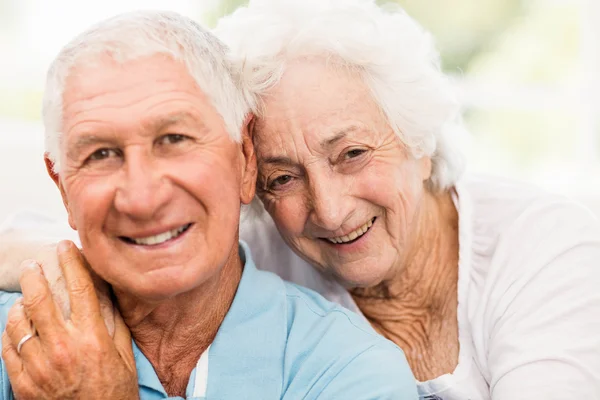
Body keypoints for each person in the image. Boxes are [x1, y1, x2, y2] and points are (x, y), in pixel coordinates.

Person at [2, 0, 600, 399]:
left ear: (420, 140)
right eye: (282, 177)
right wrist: (61, 266)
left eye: (353, 154)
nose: (331, 209)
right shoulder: (261, 243)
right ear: (249, 175)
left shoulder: (545, 253)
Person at [0, 10, 419, 400]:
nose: (143, 200)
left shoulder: (350, 370)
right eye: (101, 155)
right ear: (62, 188)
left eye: (175, 140)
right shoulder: (15, 333)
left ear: (245, 161)